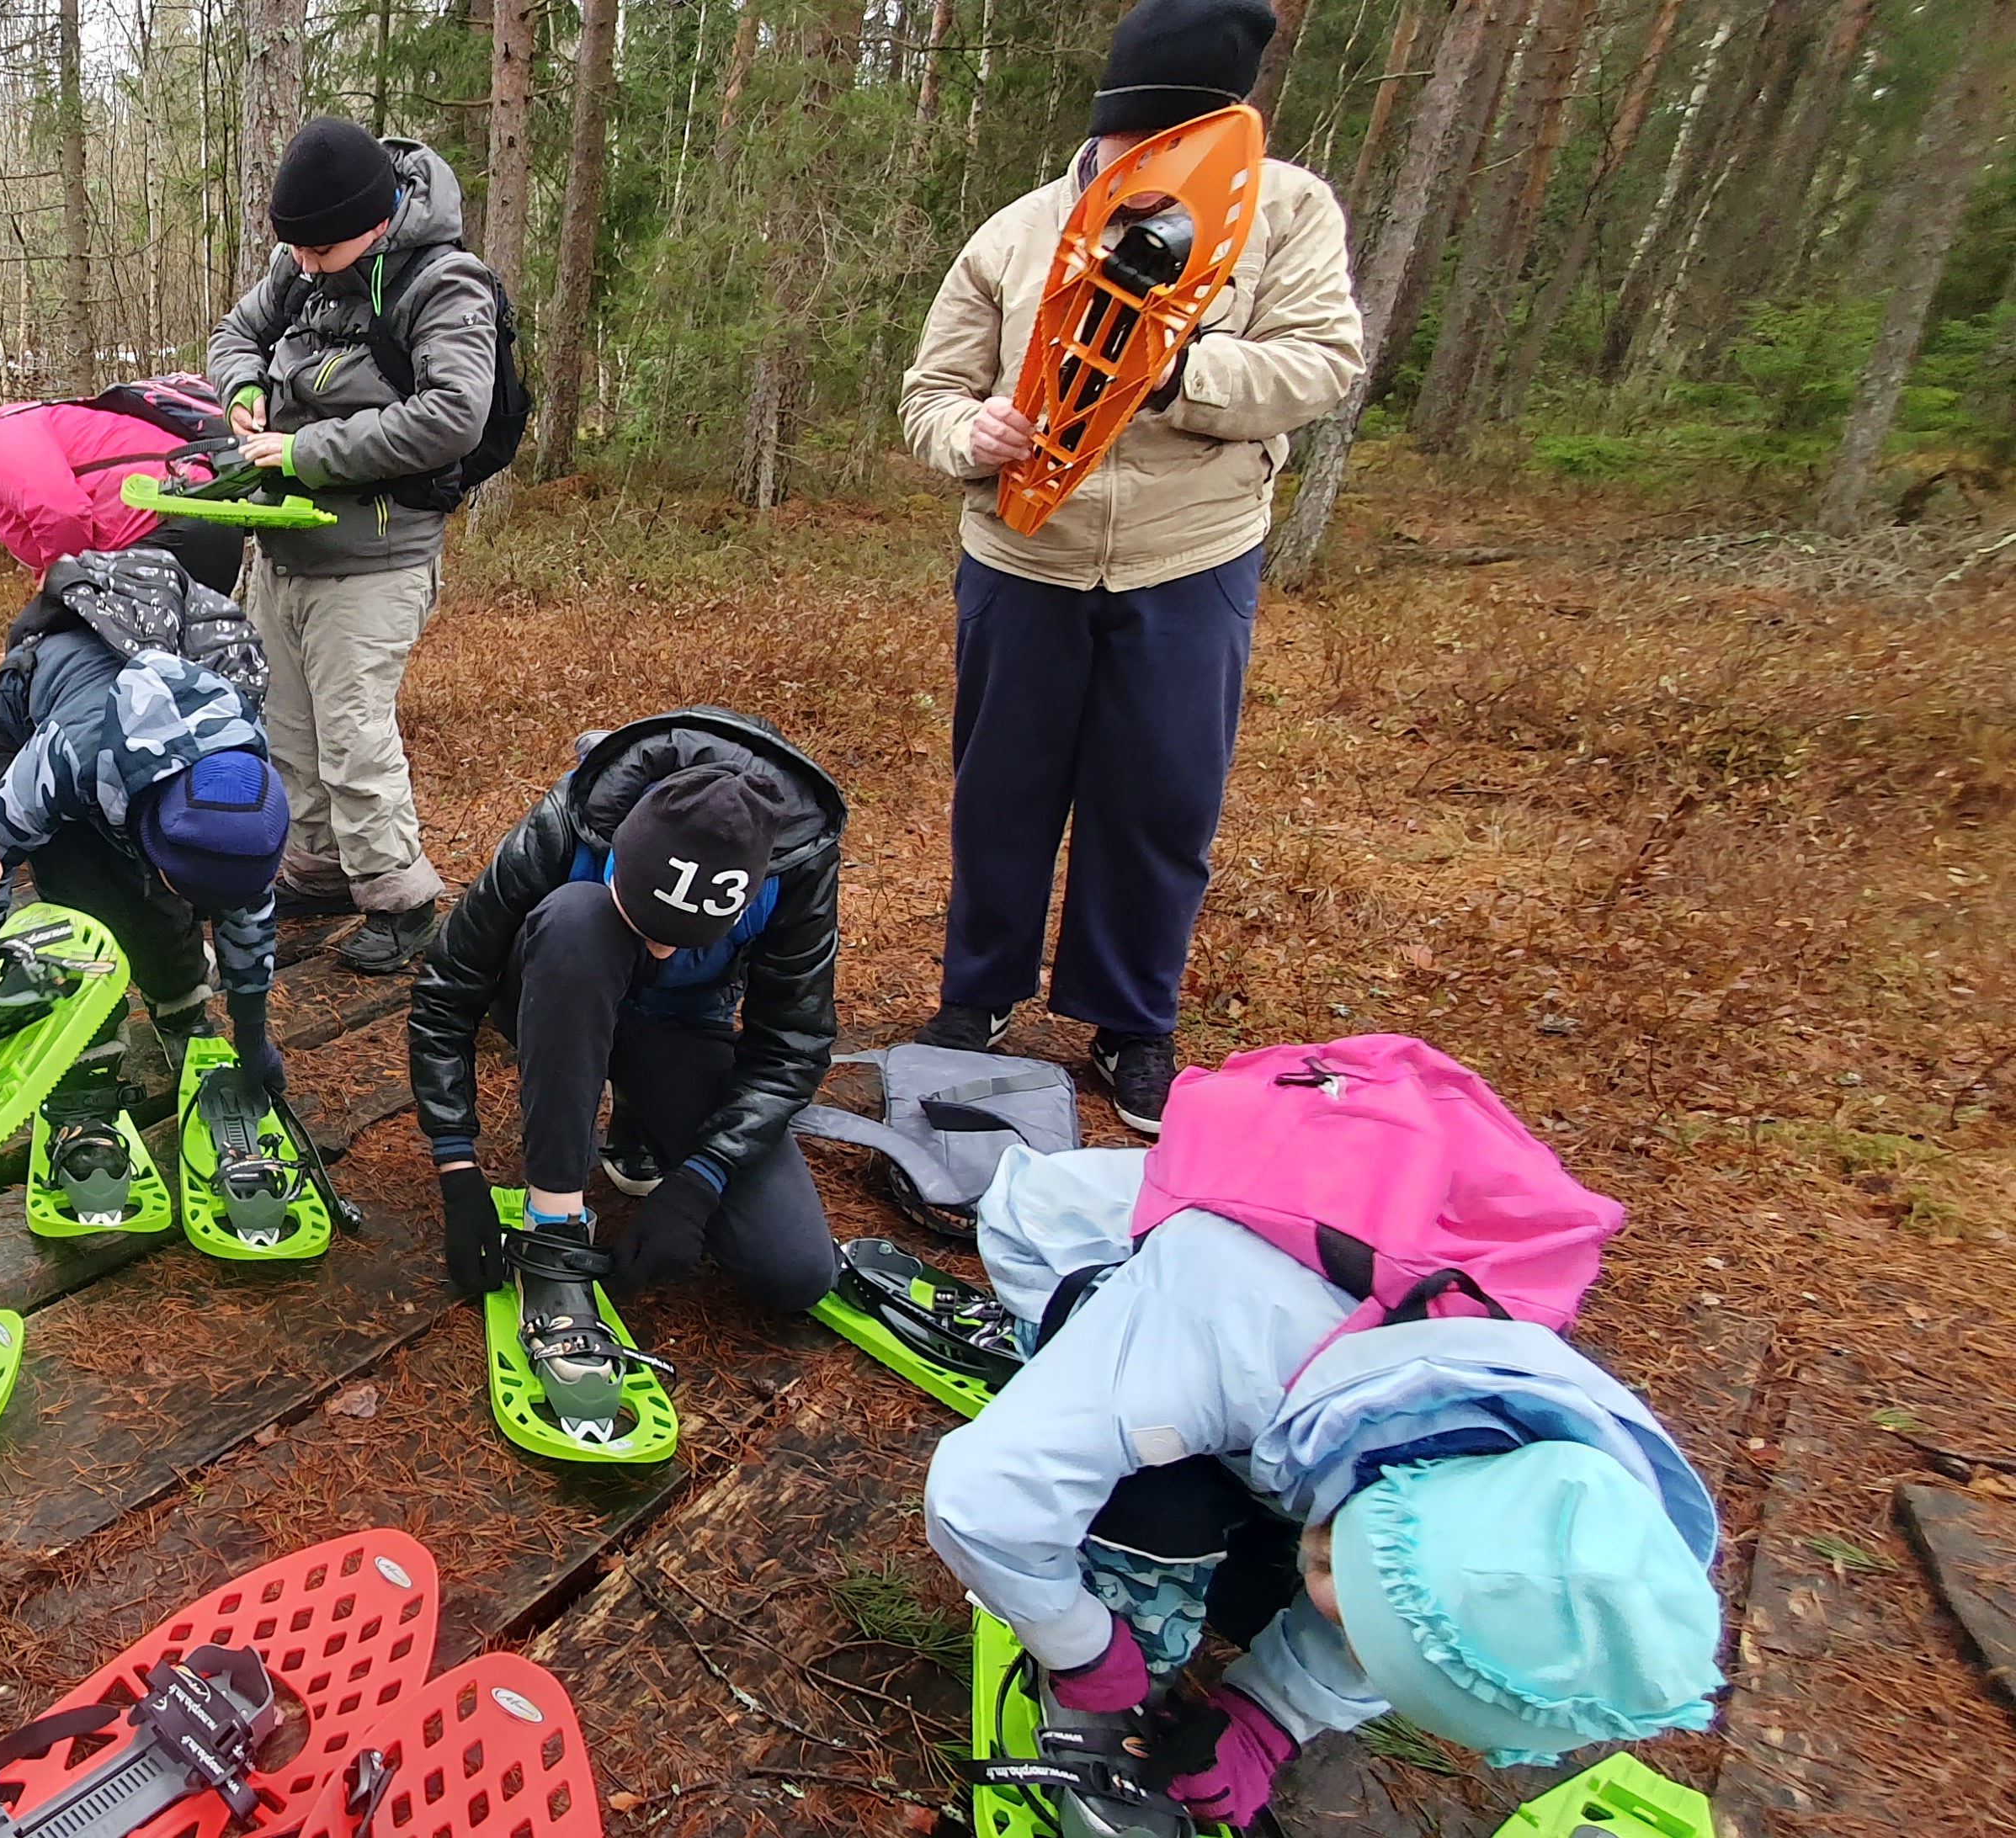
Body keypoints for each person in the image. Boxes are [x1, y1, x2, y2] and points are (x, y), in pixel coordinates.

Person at [922, 1148, 1722, 1825]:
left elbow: (1430, 1610)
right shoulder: (1222, 1341)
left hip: (1285, 1378)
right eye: (1347, 1572)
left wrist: (1272, 1716)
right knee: (1161, 1506)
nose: (1339, 1592)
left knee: (1283, 1589)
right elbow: (982, 1499)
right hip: (1092, 1250)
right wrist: (1083, 1647)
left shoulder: (1524, 1464)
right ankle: (1122, 1652)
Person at [894, 0, 1363, 1134]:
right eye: (1126, 143)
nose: (1142, 166)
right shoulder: (1015, 235)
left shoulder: (1286, 215)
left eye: (1174, 142)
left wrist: (1178, 372)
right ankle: (979, 995)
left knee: (1157, 799)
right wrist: (974, 436)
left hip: (1189, 556)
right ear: (1099, 128)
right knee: (1001, 794)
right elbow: (929, 397)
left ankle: (1130, 1022)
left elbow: (1323, 363)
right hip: (1021, 556)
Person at [408, 709, 845, 1434]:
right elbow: (444, 994)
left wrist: (701, 1182)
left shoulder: (795, 863)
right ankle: (553, 1229)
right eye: (649, 927)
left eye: (686, 939)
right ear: (620, 856)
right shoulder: (569, 821)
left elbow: (792, 1046)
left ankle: (641, 1125)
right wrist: (457, 1167)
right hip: (557, 983)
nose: (665, 953)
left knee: (792, 1271)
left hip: (682, 1024)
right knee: (582, 924)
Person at [207, 118, 501, 976]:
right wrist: (245, 392)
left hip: (376, 558)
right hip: (284, 548)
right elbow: (234, 334)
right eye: (292, 247)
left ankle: (402, 896)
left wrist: (303, 451)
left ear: (376, 221)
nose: (302, 263)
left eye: (321, 247)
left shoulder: (446, 285)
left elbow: (453, 414)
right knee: (285, 727)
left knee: (352, 735)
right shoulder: (297, 266)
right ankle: (324, 869)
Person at [0, 546, 292, 1187]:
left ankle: (181, 1003)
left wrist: (251, 1031)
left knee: (157, 903)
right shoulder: (66, 756)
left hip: (163, 701)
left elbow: (247, 911)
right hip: (41, 695)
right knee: (84, 892)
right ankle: (87, 1042)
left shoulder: (242, 785)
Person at [0, 385, 246, 596]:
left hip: (175, 518)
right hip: (171, 523)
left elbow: (61, 511)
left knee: (65, 647)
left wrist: (58, 579)